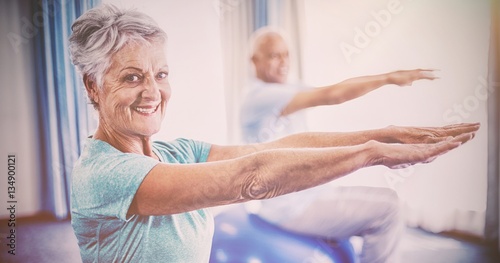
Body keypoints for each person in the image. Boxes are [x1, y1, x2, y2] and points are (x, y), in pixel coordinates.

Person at [69, 4, 478, 263]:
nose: (153, 92)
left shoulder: (176, 152)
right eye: (132, 77)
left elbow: (277, 148)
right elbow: (251, 177)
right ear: (92, 86)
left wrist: (383, 134)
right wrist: (373, 153)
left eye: (161, 75)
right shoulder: (105, 175)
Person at [239, 27, 446, 263]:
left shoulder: (285, 89)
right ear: (254, 61)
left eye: (286, 54)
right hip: (290, 207)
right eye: (275, 56)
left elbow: (333, 90)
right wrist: (388, 78)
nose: (283, 62)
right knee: (390, 209)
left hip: (308, 194)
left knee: (383, 199)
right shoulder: (259, 97)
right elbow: (333, 95)